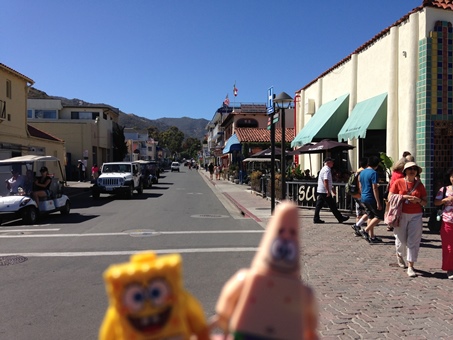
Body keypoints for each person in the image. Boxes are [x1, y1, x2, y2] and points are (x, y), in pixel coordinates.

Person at [389, 161, 427, 277]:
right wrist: (403, 197)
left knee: (413, 241)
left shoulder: (420, 186)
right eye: (410, 169)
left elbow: (425, 202)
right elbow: (390, 197)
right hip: (401, 214)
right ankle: (399, 255)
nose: (412, 171)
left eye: (414, 169)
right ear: (405, 171)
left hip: (416, 215)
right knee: (401, 241)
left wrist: (419, 201)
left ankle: (411, 266)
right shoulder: (398, 182)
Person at [313, 157, 349, 224]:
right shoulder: (327, 170)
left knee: (319, 204)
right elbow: (326, 180)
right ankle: (340, 218)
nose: (333, 163)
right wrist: (328, 191)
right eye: (332, 162)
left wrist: (331, 188)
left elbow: (328, 181)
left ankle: (316, 218)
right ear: (328, 163)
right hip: (324, 190)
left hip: (322, 190)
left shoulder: (324, 169)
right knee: (332, 205)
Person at [358, 155, 384, 243]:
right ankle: (365, 230)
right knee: (380, 216)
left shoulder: (362, 172)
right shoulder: (374, 173)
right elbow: (375, 188)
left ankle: (371, 236)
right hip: (371, 197)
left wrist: (362, 194)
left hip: (364, 196)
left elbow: (360, 185)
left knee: (370, 216)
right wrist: (378, 202)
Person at [434, 167, 453, 280]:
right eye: (452, 176)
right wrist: (445, 200)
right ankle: (449, 268)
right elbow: (436, 202)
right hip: (447, 222)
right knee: (449, 247)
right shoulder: (444, 190)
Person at [352, 157, 369, 236]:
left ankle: (357, 229)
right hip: (360, 194)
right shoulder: (362, 172)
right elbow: (360, 184)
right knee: (367, 212)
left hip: (355, 194)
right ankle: (357, 226)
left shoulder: (357, 171)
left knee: (358, 212)